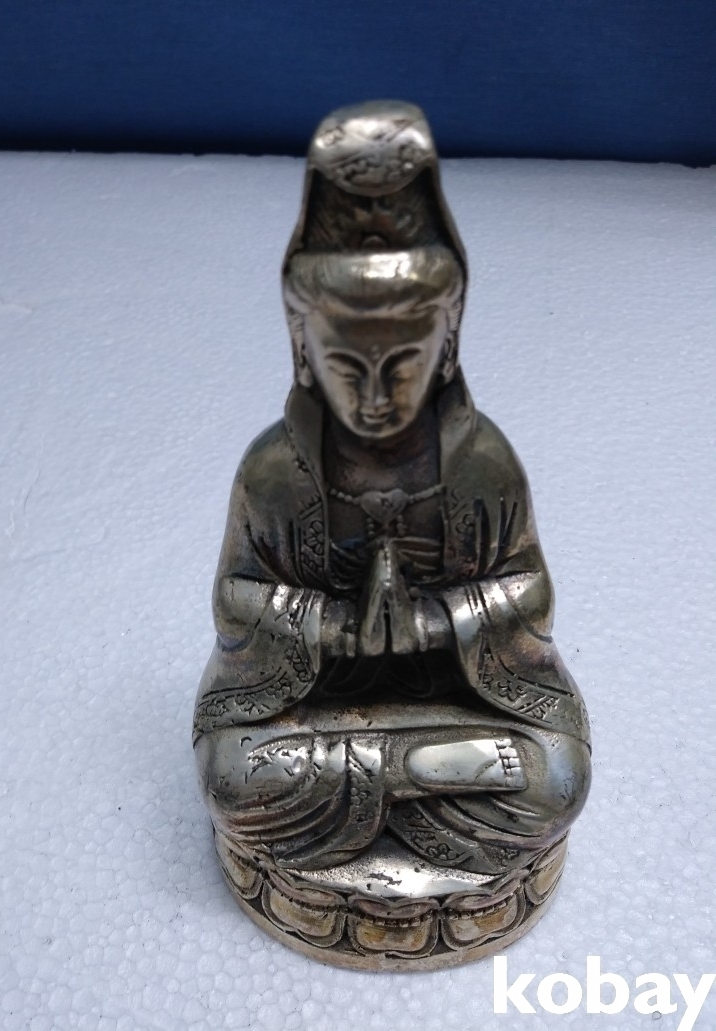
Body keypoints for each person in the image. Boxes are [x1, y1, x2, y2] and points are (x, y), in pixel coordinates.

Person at [193, 101, 590, 964]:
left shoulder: (483, 466)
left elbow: (528, 590)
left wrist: (437, 622)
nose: (375, 398)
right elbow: (236, 598)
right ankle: (411, 777)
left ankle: (377, 782)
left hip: (455, 695)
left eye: (401, 365)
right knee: (231, 778)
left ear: (445, 346)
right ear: (303, 348)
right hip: (314, 707)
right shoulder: (274, 470)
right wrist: (333, 627)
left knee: (556, 779)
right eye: (347, 366)